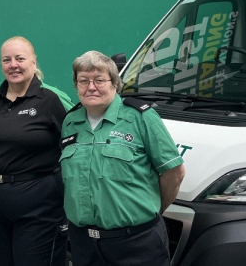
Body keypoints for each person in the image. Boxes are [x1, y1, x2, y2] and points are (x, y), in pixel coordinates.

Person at [61, 51, 186, 266]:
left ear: (114, 83)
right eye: (83, 81)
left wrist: (151, 208)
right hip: (84, 244)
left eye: (99, 80)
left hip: (136, 243)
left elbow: (174, 172)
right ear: (76, 85)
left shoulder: (140, 117)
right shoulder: (70, 121)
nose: (91, 87)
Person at [0, 36, 74, 266]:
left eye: (20, 58)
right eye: (6, 60)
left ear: (33, 61)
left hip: (38, 206)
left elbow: (76, 145)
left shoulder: (51, 99)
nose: (13, 65)